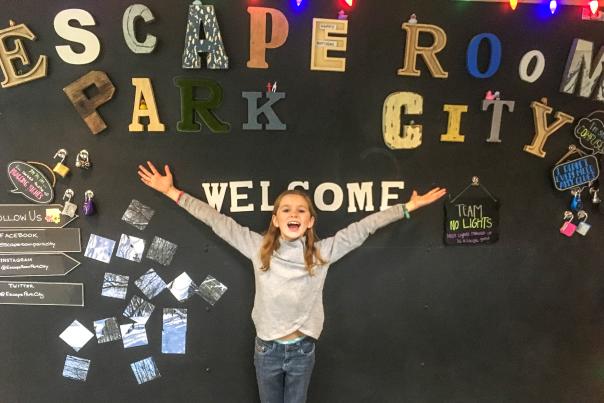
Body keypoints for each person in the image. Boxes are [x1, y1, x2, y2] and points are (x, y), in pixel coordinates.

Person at [137, 161, 446, 403]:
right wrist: (170, 192)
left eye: (301, 210)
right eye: (286, 209)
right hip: (266, 351)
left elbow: (364, 227)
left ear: (310, 221)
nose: (293, 214)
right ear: (276, 218)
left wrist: (407, 208)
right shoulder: (258, 248)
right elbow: (216, 221)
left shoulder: (322, 253)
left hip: (302, 351)